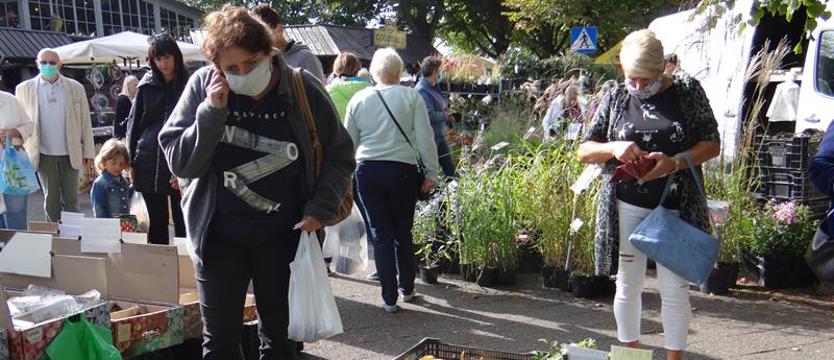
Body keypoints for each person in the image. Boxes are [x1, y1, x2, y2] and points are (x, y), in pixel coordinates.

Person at [158, 5, 354, 359]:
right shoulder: (203, 86)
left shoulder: (301, 87)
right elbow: (181, 161)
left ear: (269, 52)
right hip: (218, 238)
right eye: (231, 68)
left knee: (279, 342)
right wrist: (212, 113)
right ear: (217, 67)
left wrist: (321, 208)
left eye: (250, 63)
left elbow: (341, 154)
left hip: (283, 236)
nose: (242, 74)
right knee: (219, 343)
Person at [577, 29, 720, 360]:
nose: (639, 87)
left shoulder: (687, 92)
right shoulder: (615, 97)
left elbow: (712, 143)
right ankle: (631, 356)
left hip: (675, 206)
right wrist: (614, 147)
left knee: (674, 289)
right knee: (627, 283)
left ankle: (673, 358)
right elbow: (584, 149)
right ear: (621, 70)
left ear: (663, 70)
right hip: (628, 202)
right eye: (632, 78)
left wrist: (674, 162)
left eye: (646, 79)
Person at [344, 48, 440, 313]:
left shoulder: (359, 100)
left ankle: (388, 298)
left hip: (367, 171)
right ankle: (407, 288)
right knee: (402, 233)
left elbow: (348, 143)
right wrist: (431, 173)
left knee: (380, 234)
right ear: (399, 72)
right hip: (402, 171)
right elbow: (425, 138)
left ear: (375, 72)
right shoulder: (411, 98)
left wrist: (343, 177)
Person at [15, 48, 95, 223]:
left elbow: (85, 123)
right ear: (37, 64)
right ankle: (56, 238)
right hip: (42, 153)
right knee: (50, 201)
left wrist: (89, 152)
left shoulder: (76, 88)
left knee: (72, 201)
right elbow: (19, 120)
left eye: (52, 62)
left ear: (60, 64)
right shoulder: (24, 89)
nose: (48, 65)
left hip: (71, 152)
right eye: (43, 62)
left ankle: (73, 237)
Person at [125, 34, 186, 245]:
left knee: (184, 222)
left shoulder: (189, 83)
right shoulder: (146, 85)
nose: (163, 63)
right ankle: (160, 270)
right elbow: (133, 126)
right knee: (157, 222)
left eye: (167, 57)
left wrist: (186, 167)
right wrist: (130, 161)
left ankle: (187, 270)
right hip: (148, 160)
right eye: (158, 59)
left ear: (176, 56)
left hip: (180, 157)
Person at [251, 4, 326, 83]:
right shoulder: (262, 62)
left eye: (262, 33)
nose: (257, 39)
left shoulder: (306, 58)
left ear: (279, 29)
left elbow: (318, 94)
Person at [415, 56, 456, 178]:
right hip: (430, 137)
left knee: (449, 168)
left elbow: (438, 106)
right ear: (433, 72)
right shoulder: (422, 90)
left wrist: (446, 110)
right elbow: (428, 115)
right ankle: (427, 195)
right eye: (439, 71)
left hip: (438, 134)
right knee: (428, 171)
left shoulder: (433, 86)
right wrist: (446, 115)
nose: (440, 74)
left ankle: (453, 193)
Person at [0, 89, 34, 229]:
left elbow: (29, 125)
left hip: (12, 163)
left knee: (17, 211)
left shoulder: (10, 100)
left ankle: (18, 247)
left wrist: (14, 132)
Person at [91, 139, 132, 218]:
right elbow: (99, 209)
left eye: (121, 164)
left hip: (125, 225)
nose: (118, 167)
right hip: (109, 226)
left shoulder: (124, 181)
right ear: (104, 161)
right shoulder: (100, 183)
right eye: (114, 163)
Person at [326, 52, 370, 121]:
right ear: (358, 69)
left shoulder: (328, 92)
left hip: (337, 131)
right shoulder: (370, 90)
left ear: (336, 69)